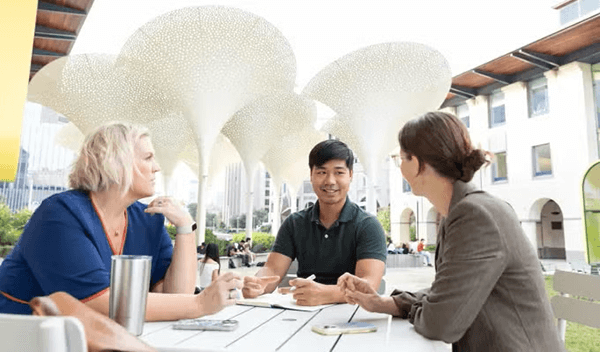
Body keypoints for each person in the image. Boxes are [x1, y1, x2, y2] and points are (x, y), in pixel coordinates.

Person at [338, 112, 562, 351]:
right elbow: (446, 293)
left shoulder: (475, 216)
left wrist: (422, 309)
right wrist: (384, 303)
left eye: (401, 158)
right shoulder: (460, 211)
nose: (401, 167)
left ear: (417, 163)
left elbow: (441, 324)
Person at [0, 122, 241, 319]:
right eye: (147, 158)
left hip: (92, 338)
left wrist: (185, 228)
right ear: (115, 163)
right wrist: (200, 304)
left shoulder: (148, 220)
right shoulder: (60, 214)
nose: (156, 168)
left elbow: (174, 295)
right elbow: (98, 303)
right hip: (26, 337)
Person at [242, 139, 387, 306]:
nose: (330, 181)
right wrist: (258, 284)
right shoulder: (294, 223)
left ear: (351, 175)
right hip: (301, 315)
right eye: (321, 172)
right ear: (311, 175)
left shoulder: (368, 225)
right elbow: (273, 270)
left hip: (350, 317)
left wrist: (326, 294)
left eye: (339, 172)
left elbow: (368, 283)